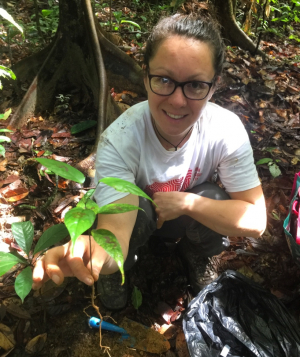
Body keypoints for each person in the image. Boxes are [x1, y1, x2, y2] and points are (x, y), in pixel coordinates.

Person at [32, 10, 266, 310]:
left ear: (214, 85)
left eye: (195, 85)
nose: (178, 100)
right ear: (145, 76)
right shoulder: (121, 139)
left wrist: (186, 203)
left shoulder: (225, 130)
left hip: (185, 216)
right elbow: (116, 228)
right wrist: (97, 253)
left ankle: (198, 254)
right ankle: (118, 272)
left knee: (211, 196)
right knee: (139, 205)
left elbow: (256, 219)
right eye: (164, 80)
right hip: (139, 220)